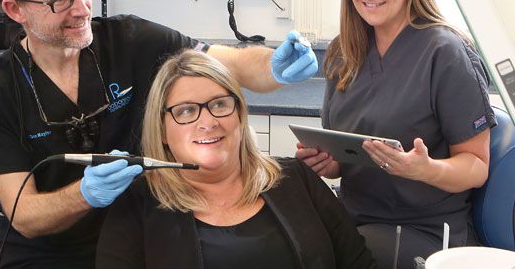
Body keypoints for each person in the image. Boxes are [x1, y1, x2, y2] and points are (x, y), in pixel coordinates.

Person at [0, 0, 320, 268]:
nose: (81, 8)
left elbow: (228, 64)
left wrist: (274, 65)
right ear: (15, 9)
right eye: (59, 0)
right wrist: (84, 195)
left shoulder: (133, 40)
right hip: (47, 253)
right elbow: (24, 215)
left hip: (136, 233)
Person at [293, 0, 496, 267]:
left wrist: (425, 169)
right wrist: (328, 163)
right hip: (354, 216)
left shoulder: (445, 53)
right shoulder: (346, 51)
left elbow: (476, 167)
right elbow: (344, 155)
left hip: (424, 229)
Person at [96, 50, 376, 269]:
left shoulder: (297, 179)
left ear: (240, 115)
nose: (208, 122)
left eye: (219, 104)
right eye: (186, 111)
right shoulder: (137, 205)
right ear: (163, 130)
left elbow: (359, 264)